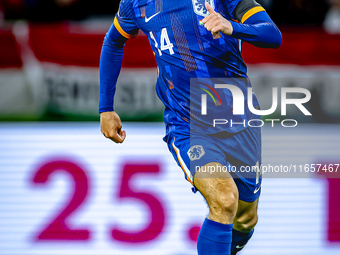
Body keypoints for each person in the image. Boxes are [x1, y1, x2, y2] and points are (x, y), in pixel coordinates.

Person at [99, 0, 282, 254]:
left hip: (239, 120)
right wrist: (105, 108)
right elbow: (113, 42)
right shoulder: (135, 3)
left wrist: (231, 26)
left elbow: (272, 35)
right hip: (187, 124)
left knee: (245, 217)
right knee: (225, 199)